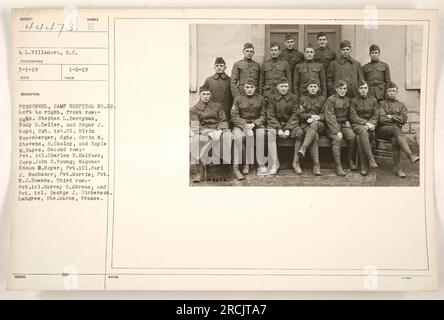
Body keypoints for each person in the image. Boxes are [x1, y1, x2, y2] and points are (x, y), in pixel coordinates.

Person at [377, 81, 419, 178]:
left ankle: (398, 169)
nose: (391, 93)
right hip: (382, 131)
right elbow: (382, 119)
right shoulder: (381, 104)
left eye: (393, 91)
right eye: (389, 91)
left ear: (396, 92)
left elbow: (404, 119)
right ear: (386, 92)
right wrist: (396, 118)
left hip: (395, 133)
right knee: (395, 128)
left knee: (395, 140)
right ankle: (410, 155)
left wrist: (390, 116)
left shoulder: (401, 105)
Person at [190, 84, 231, 183]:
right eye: (203, 94)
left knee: (228, 136)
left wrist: (220, 131)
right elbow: (195, 126)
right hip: (204, 131)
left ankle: (229, 168)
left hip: (217, 129)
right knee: (196, 140)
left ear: (210, 95)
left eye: (208, 94)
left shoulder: (217, 106)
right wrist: (210, 133)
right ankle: (199, 171)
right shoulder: (193, 109)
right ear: (200, 95)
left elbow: (223, 120)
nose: (206, 96)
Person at [231, 79, 267, 180]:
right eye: (247, 87)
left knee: (261, 134)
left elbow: (263, 116)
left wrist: (254, 124)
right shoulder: (238, 99)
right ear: (244, 88)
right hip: (241, 125)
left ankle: (261, 163)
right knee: (238, 138)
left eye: (251, 87)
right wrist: (245, 126)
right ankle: (245, 164)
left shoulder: (261, 99)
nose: (249, 89)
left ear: (255, 88)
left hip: (256, 124)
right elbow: (234, 116)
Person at [266, 77, 302, 175]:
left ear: (288, 87)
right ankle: (275, 163)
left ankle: (296, 162)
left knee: (299, 132)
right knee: (270, 134)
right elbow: (270, 115)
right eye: (281, 86)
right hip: (276, 124)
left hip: (290, 124)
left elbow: (296, 114)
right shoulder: (271, 97)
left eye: (286, 86)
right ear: (277, 87)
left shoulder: (294, 98)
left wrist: (288, 129)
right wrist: (278, 128)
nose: (284, 88)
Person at [324, 80, 357, 176]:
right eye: (340, 89)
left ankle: (350, 160)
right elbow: (329, 117)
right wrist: (336, 131)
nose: (343, 91)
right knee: (337, 139)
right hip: (332, 126)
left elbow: (351, 114)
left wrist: (348, 122)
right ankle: (338, 167)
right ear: (336, 89)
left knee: (352, 136)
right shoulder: (331, 99)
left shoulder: (348, 100)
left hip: (344, 125)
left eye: (344, 89)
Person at [349, 80, 379, 176]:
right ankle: (370, 159)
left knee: (359, 138)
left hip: (370, 127)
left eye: (365, 88)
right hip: (357, 125)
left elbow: (376, 115)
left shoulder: (373, 100)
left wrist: (370, 124)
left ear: (368, 89)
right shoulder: (353, 101)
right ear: (358, 90)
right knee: (362, 131)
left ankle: (364, 166)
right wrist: (365, 123)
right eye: (361, 88)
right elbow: (353, 116)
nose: (363, 90)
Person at [297, 79, 326, 176]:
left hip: (319, 125)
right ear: (307, 88)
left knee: (315, 124)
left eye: (315, 86)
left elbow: (325, 114)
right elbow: (300, 114)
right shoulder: (302, 99)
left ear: (318, 88)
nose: (313, 89)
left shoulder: (322, 99)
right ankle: (316, 165)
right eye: (311, 86)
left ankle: (303, 148)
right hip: (305, 125)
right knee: (315, 137)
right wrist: (309, 116)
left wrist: (318, 117)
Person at [203, 57, 233, 123]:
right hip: (212, 112)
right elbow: (203, 97)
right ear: (214, 67)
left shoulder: (230, 80)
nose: (219, 67)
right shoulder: (208, 80)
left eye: (221, 66)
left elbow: (233, 98)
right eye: (217, 66)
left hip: (226, 112)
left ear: (225, 67)